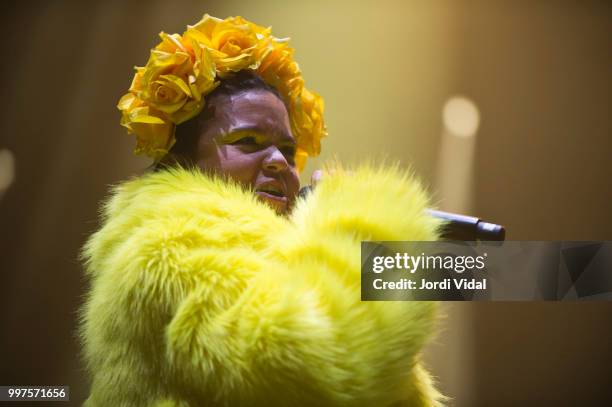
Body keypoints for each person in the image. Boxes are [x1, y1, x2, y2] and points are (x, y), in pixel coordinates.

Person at [80, 14, 445, 407]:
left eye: (288, 151)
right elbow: (323, 359)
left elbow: (498, 275)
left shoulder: (267, 255)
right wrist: (364, 223)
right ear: (180, 159)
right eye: (248, 141)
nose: (278, 162)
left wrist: (502, 271)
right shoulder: (171, 246)